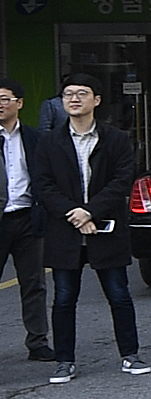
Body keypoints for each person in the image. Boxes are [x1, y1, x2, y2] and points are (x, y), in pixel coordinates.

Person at [29, 70, 143, 381]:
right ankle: (64, 361)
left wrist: (90, 212)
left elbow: (122, 181)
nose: (74, 99)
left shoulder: (117, 139)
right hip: (64, 230)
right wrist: (74, 214)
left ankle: (130, 355)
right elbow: (43, 184)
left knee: (119, 293)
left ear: (97, 100)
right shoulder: (49, 142)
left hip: (105, 227)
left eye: (81, 94)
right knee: (64, 298)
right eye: (68, 94)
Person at [0, 77, 49, 361]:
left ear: (19, 103)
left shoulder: (34, 138)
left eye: (5, 99)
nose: (0, 105)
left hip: (28, 219)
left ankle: (38, 341)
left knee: (34, 284)